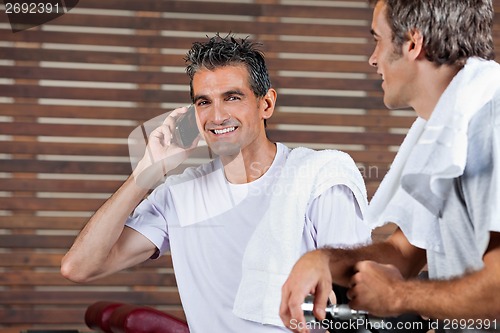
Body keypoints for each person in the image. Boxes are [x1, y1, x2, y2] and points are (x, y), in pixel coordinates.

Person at [60, 34, 372, 332]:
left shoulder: (319, 176)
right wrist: (145, 174)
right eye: (204, 102)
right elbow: (79, 267)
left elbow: (352, 303)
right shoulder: (179, 196)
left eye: (232, 97)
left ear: (266, 104)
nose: (217, 116)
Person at [280, 0, 500, 332]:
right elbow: (403, 252)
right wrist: (322, 261)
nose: (373, 58)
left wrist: (398, 294)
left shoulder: (491, 121)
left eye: (377, 39)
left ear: (413, 43)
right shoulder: (445, 128)